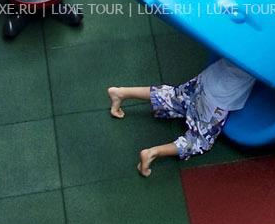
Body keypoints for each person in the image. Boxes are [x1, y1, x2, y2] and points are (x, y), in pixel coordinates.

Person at [108, 62, 259, 177]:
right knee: (200, 140)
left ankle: (121, 93)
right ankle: (153, 153)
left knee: (174, 97)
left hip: (206, 79)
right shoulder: (262, 52)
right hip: (218, 101)